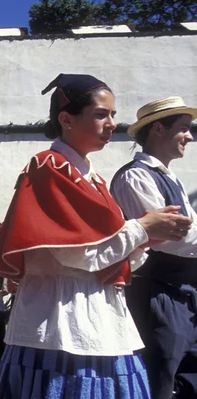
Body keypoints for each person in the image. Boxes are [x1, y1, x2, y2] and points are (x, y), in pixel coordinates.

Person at [0, 74, 193, 398]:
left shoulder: (93, 178)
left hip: (99, 317)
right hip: (61, 320)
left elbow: (105, 251)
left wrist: (145, 236)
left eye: (112, 114)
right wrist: (141, 229)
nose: (111, 123)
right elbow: (70, 251)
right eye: (100, 114)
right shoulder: (49, 167)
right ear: (66, 119)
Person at [110, 96, 197, 398]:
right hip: (157, 292)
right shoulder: (135, 176)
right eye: (184, 128)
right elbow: (171, 236)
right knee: (159, 375)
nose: (189, 136)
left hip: (182, 291)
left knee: (188, 375)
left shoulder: (167, 177)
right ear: (159, 129)